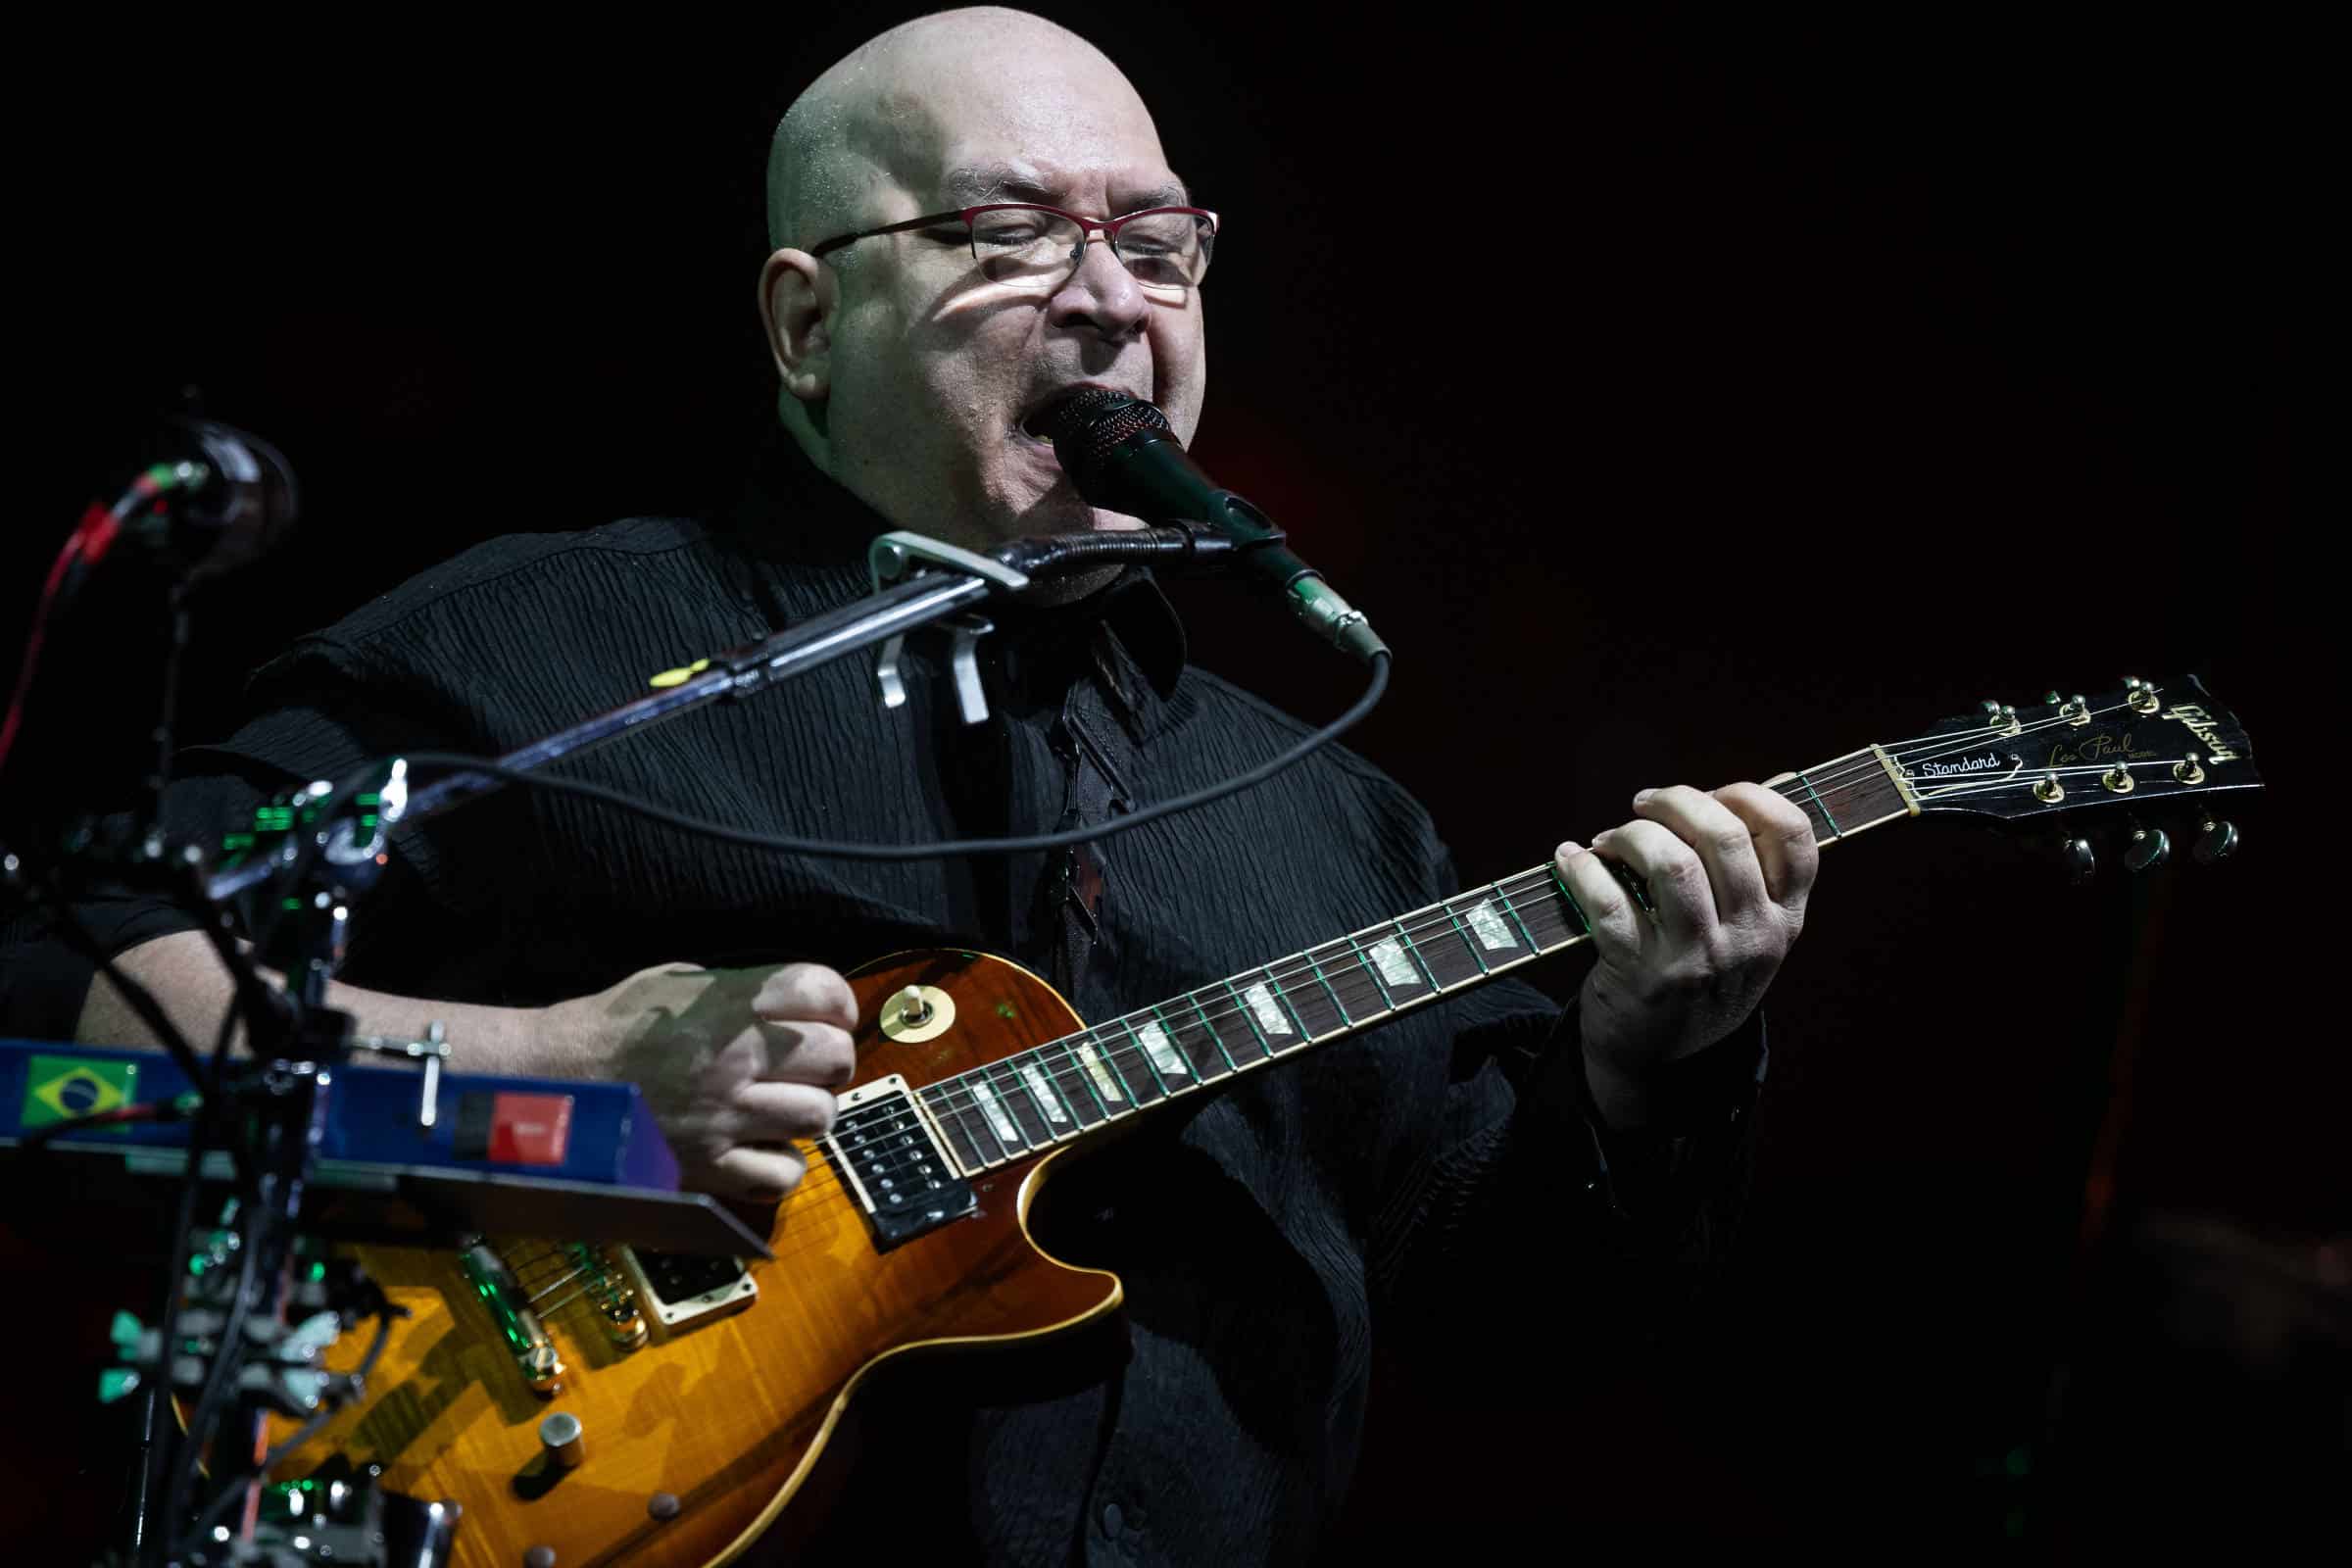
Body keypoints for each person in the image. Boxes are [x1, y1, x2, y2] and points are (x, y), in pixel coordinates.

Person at [13, 9, 1817, 1560]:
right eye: (1011, 233)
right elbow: (61, 1051)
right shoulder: (542, 651)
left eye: (1161, 244)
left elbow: (1530, 1346)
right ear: (808, 323)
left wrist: (1652, 1062)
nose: (1112, 301)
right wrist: (563, 1086)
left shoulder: (1333, 820)